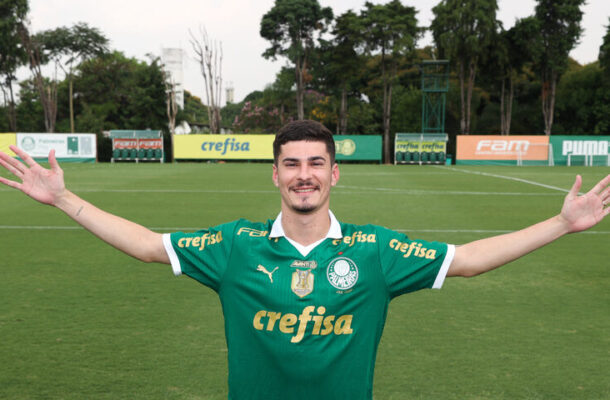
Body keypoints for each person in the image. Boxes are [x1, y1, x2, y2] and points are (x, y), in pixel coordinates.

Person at [0, 120, 608, 400]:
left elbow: (470, 258)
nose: (304, 175)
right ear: (275, 173)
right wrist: (65, 198)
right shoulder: (236, 245)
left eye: (316, 163)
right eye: (292, 163)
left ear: (335, 174)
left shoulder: (374, 251)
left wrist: (560, 222)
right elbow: (146, 245)